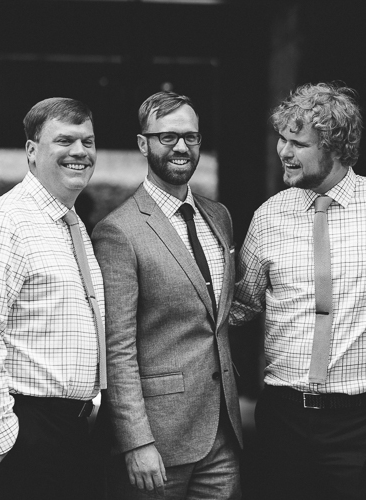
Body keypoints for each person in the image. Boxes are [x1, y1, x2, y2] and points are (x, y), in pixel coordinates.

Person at [230, 82, 366, 499]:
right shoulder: (269, 216)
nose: (283, 152)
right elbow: (239, 308)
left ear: (336, 146)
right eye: (281, 139)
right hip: (283, 419)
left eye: (298, 143)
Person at [93, 91, 242, 499]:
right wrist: (136, 442)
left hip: (222, 434)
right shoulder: (118, 231)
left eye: (191, 137)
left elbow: (218, 316)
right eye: (168, 137)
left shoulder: (220, 216)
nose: (181, 146)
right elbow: (118, 345)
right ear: (143, 143)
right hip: (158, 441)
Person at [0, 98, 105, 500]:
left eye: (88, 142)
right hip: (26, 431)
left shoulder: (69, 225)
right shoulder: (6, 223)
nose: (80, 152)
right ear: (32, 151)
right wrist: (8, 439)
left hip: (68, 434)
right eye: (65, 140)